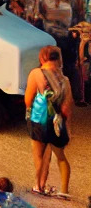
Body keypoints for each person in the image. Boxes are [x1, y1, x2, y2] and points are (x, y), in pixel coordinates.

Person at [25, 44, 73, 196]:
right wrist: (67, 126)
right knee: (60, 156)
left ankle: (39, 186)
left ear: (42, 58)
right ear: (58, 59)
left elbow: (28, 98)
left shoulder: (36, 73)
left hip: (40, 119)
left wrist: (28, 111)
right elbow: (67, 107)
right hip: (57, 123)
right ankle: (64, 191)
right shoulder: (65, 80)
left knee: (39, 155)